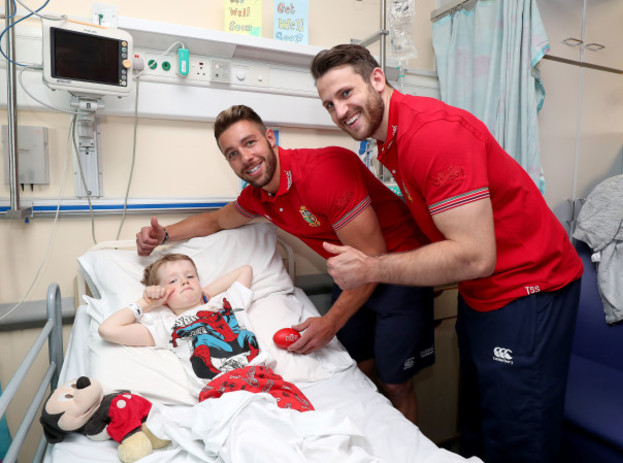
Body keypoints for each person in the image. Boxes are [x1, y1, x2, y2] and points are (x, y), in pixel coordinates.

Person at [310, 44, 584, 463]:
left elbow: (475, 256)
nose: (339, 111)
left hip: (530, 287)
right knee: (479, 421)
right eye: (329, 104)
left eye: (346, 94)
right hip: (483, 294)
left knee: (519, 435)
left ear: (377, 80)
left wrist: (371, 267)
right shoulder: (392, 142)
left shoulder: (430, 134)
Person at [135, 105, 435, 423]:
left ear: (269, 138)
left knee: (396, 383)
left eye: (250, 143)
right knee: (358, 369)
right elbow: (216, 220)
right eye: (232, 153)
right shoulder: (260, 197)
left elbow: (371, 256)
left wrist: (331, 322)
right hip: (351, 273)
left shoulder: (323, 172)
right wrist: (164, 234)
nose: (245, 158)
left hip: (400, 267)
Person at [98, 253, 313, 412]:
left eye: (190, 276)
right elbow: (108, 330)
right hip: (221, 392)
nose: (184, 281)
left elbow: (244, 269)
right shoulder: (167, 326)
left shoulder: (228, 302)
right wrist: (146, 303)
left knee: (303, 421)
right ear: (162, 292)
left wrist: (205, 295)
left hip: (263, 379)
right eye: (172, 281)